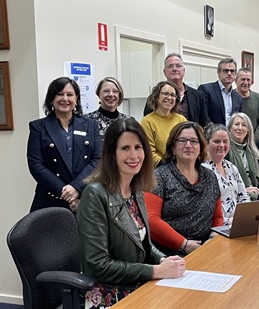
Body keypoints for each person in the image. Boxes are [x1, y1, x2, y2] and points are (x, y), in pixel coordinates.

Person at [76, 118, 185, 308]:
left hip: (137, 283)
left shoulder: (136, 190)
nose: (134, 155)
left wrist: (163, 259)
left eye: (138, 147)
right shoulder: (94, 195)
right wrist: (155, 271)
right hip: (108, 293)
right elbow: (99, 265)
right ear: (111, 154)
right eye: (125, 148)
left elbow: (145, 246)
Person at [144, 121, 223, 256]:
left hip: (205, 249)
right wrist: (183, 244)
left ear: (201, 147)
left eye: (194, 141)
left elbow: (217, 216)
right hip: (168, 253)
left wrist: (213, 237)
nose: (188, 145)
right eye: (182, 141)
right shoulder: (158, 176)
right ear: (173, 148)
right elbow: (151, 220)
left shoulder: (210, 176)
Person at [26, 77, 102, 212]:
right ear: (51, 98)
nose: (65, 99)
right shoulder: (38, 127)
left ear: (76, 98)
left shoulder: (91, 125)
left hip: (83, 198)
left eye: (70, 94)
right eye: (60, 94)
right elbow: (36, 164)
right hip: (50, 199)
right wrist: (66, 193)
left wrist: (76, 187)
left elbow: (98, 160)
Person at [143, 53, 210, 127]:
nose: (175, 69)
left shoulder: (197, 95)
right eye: (170, 66)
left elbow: (205, 123)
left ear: (183, 71)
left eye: (178, 66)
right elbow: (149, 121)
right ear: (165, 72)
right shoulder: (155, 97)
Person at [203, 123, 250, 225]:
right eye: (217, 141)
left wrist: (241, 217)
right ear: (206, 143)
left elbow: (244, 197)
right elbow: (205, 210)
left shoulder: (231, 167)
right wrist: (227, 221)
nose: (222, 145)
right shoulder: (202, 170)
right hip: (217, 227)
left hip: (238, 223)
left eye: (225, 141)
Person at [141, 81, 187, 167]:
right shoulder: (147, 121)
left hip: (182, 167)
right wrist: (169, 169)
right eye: (165, 94)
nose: (169, 98)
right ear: (157, 96)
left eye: (173, 95)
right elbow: (149, 152)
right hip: (159, 169)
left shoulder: (181, 119)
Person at [226, 112, 259, 200]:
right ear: (230, 128)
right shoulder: (225, 151)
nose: (240, 128)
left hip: (257, 194)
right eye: (236, 124)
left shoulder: (254, 151)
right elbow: (225, 181)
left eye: (244, 125)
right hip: (236, 195)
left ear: (248, 130)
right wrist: (244, 190)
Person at [198, 57, 242, 126]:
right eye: (226, 70)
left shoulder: (238, 97)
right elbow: (203, 116)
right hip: (212, 134)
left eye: (232, 71)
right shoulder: (206, 90)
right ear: (219, 73)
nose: (229, 73)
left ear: (235, 74)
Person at [234, 68, 259, 142]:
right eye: (243, 79)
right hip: (234, 144)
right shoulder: (230, 97)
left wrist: (253, 140)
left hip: (254, 143)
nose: (246, 83)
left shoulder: (258, 98)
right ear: (235, 80)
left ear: (252, 81)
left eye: (248, 80)